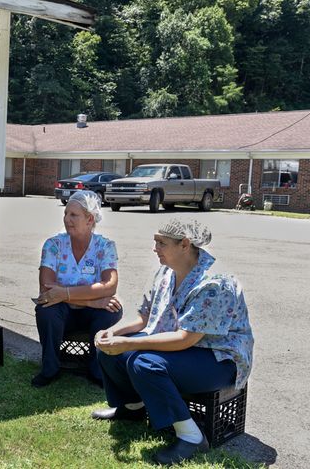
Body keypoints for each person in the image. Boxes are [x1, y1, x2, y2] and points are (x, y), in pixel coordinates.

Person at [92, 219, 254, 466]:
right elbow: (144, 318)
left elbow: (185, 339)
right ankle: (132, 407)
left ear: (185, 245)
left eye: (161, 243)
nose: (155, 248)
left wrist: (129, 344)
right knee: (109, 351)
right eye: (155, 241)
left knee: (144, 363)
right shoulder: (167, 271)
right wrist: (112, 333)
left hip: (219, 359)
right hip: (186, 349)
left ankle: (191, 437)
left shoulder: (214, 282)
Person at [32, 191, 123, 388]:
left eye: (73, 215)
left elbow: (109, 285)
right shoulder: (53, 245)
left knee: (111, 310)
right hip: (63, 313)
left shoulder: (105, 246)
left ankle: (97, 369)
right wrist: (93, 299)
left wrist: (64, 293)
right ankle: (50, 369)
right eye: (65, 214)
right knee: (46, 309)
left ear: (90, 219)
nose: (66, 219)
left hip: (89, 314)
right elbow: (47, 290)